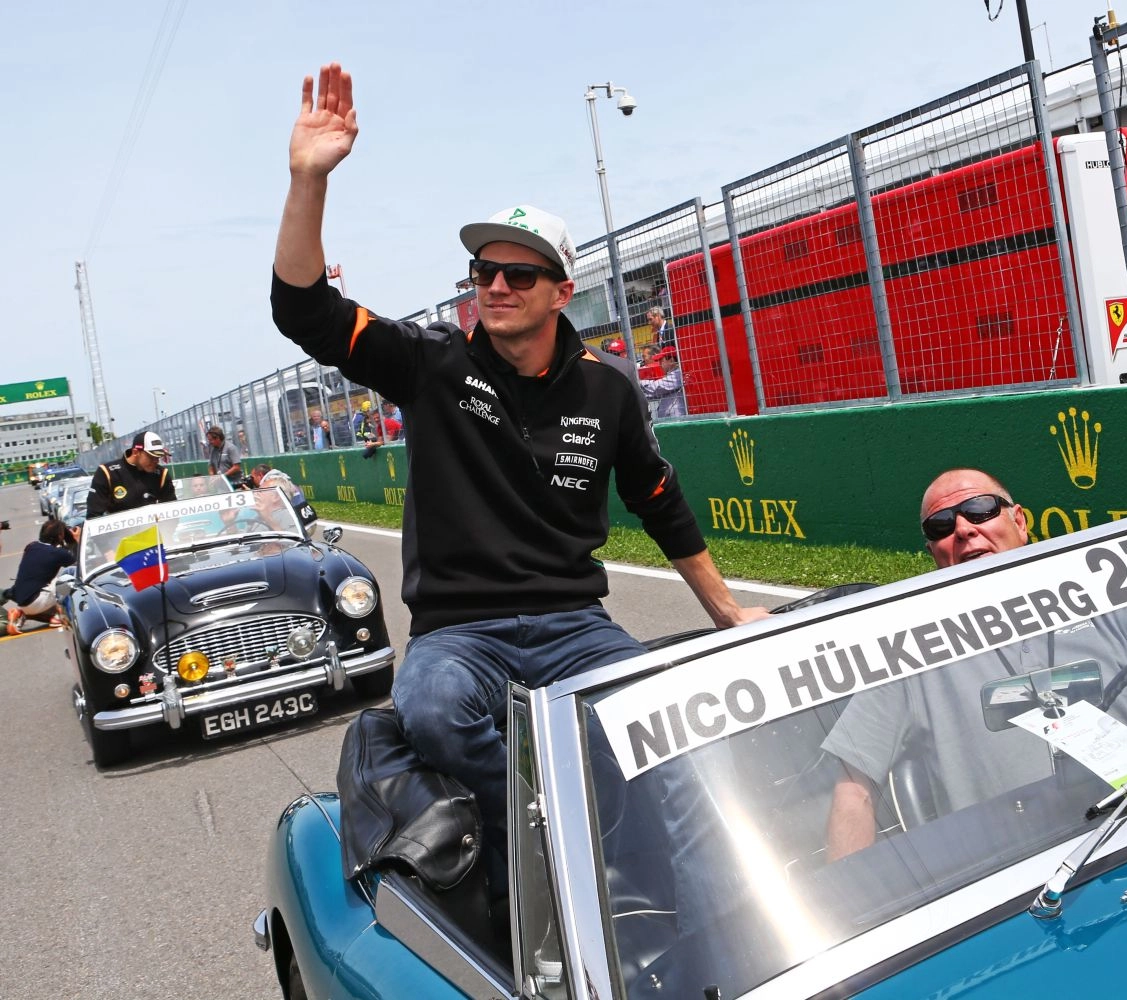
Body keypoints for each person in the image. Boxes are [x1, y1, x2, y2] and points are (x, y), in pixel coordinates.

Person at [269, 63, 768, 919]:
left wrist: (726, 610)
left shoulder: (607, 389)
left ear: (561, 292)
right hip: (460, 634)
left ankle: (720, 914)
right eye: (481, 271)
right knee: (430, 708)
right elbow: (304, 311)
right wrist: (308, 180)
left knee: (661, 722)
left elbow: (659, 499)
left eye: (518, 274)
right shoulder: (428, 363)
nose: (493, 286)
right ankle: (553, 874)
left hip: (575, 627)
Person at [820, 467, 1127, 861]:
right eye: (941, 526)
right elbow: (854, 791)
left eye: (980, 509)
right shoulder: (911, 646)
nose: (963, 529)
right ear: (932, 553)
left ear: (1020, 521)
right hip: (1009, 881)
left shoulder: (1096, 594)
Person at [6, 519, 77, 634]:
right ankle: (61, 615)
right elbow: (78, 566)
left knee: (47, 583)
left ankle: (21, 614)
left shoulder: (31, 546)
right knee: (69, 578)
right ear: (60, 536)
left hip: (22, 600)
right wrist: (75, 541)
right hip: (37, 601)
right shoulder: (59, 553)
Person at [86, 431, 177, 518]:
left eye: (158, 457)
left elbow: (173, 511)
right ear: (135, 452)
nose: (156, 461)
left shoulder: (161, 474)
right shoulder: (107, 473)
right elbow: (93, 516)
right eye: (151, 457)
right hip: (119, 533)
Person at [250, 463, 319, 527]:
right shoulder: (283, 478)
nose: (252, 480)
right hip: (308, 516)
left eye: (252, 478)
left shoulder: (270, 482)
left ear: (260, 475)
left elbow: (267, 506)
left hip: (295, 522)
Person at [639, 345, 686, 418]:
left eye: (661, 360)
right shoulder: (671, 374)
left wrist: (638, 382)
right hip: (671, 419)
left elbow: (656, 387)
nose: (659, 363)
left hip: (677, 420)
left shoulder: (678, 374)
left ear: (671, 361)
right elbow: (655, 393)